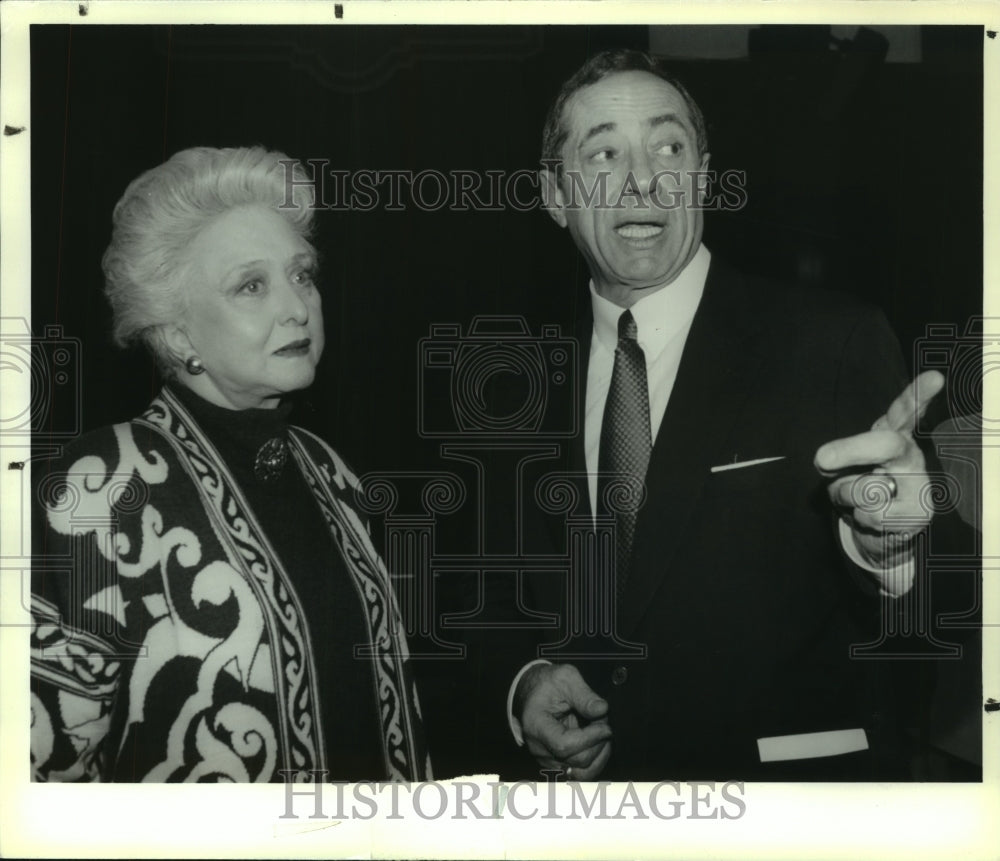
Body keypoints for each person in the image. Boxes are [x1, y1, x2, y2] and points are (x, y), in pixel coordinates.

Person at [495, 49, 970, 781]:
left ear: (704, 175)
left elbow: (950, 608)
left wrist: (897, 551)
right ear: (554, 196)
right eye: (604, 154)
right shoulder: (518, 380)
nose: (643, 178)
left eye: (669, 146)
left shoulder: (829, 342)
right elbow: (489, 601)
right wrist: (526, 683)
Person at [29, 147, 430, 783]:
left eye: (302, 275)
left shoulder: (333, 474)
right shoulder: (101, 484)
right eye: (252, 285)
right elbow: (42, 769)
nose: (297, 307)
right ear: (179, 333)